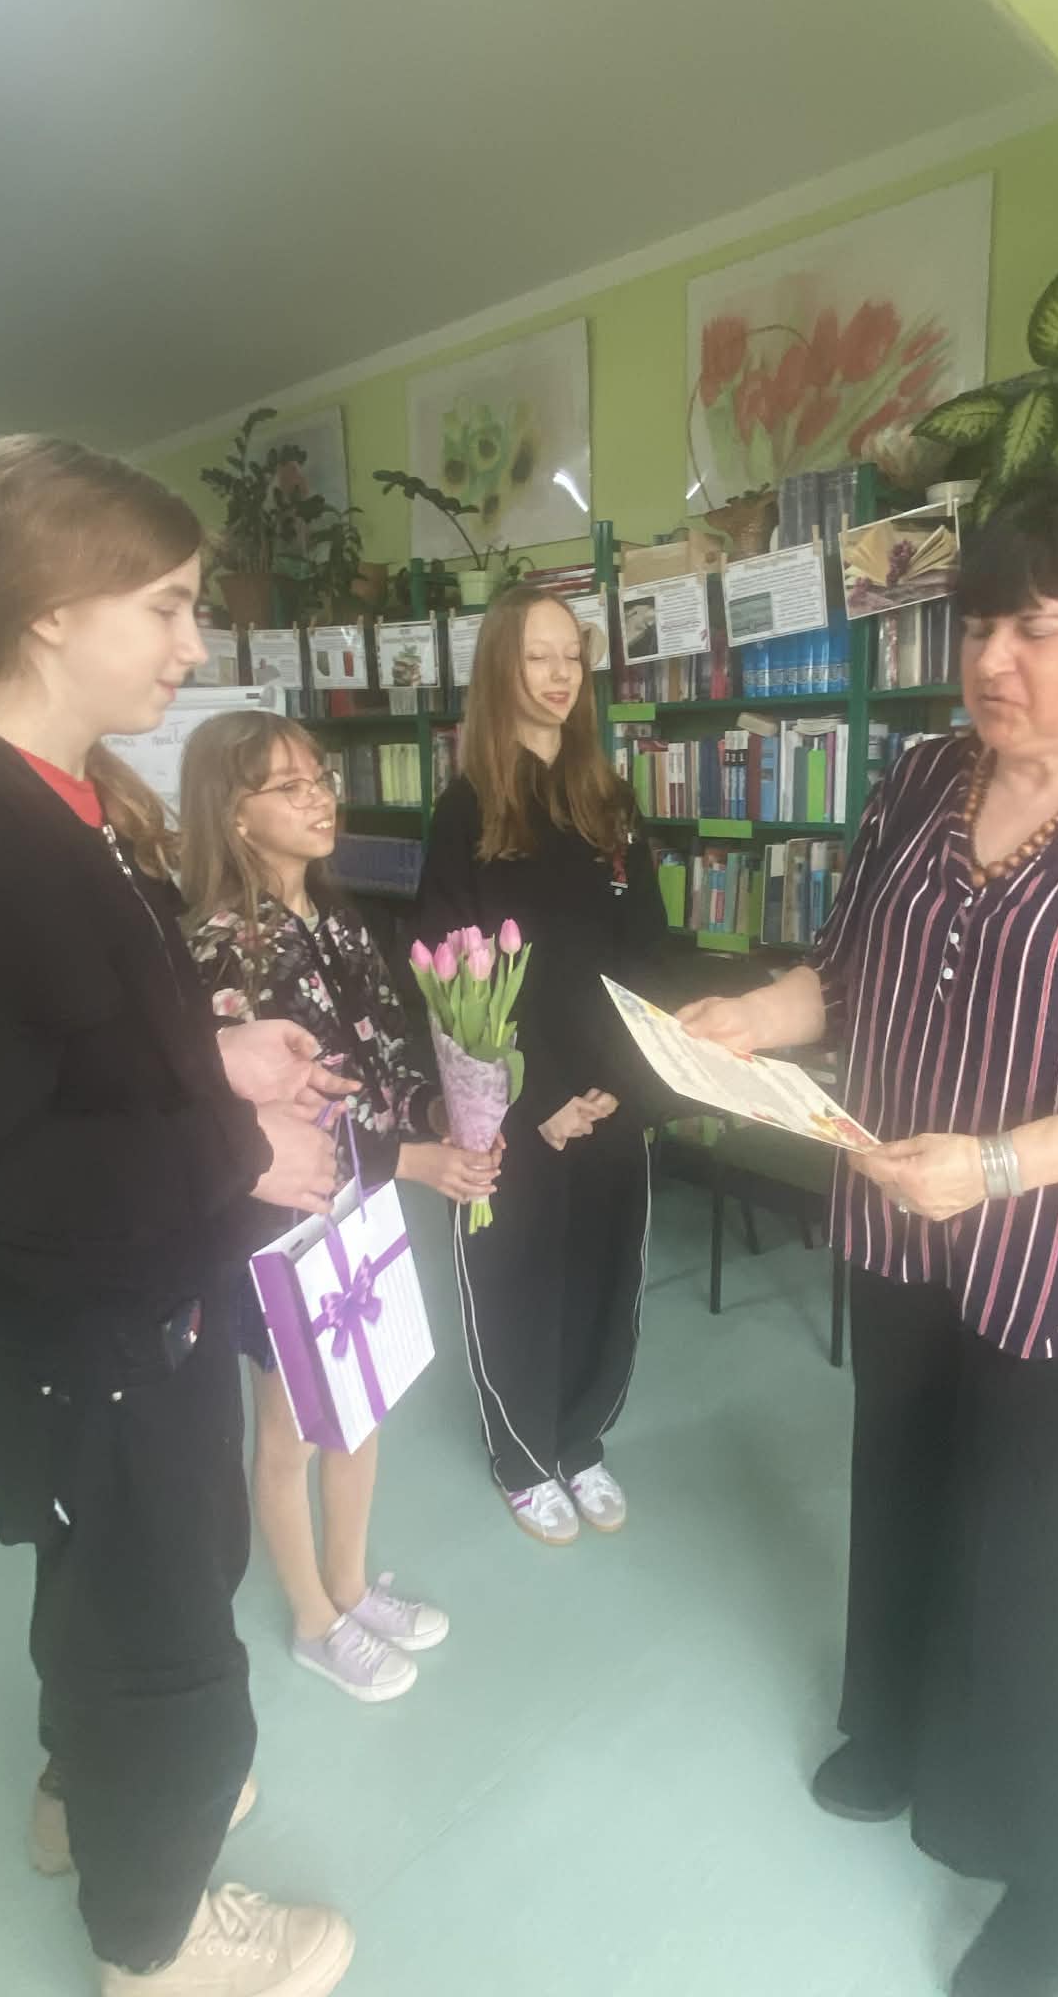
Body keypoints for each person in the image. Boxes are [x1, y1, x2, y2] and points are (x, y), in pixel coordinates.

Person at [678, 471, 1058, 1997]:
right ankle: (894, 1730)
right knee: (899, 1490)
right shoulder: (921, 781)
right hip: (902, 1233)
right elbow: (845, 968)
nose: (992, 661)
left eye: (1036, 628)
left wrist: (1004, 1166)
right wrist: (756, 1015)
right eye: (976, 625)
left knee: (1027, 1563)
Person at [0, 437, 359, 1997]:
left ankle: (88, 1801)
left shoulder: (47, 801)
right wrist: (236, 1147)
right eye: (166, 607)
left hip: (108, 1342)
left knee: (109, 1605)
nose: (193, 644)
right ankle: (157, 1937)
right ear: (54, 610)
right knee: (165, 1648)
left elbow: (58, 1051)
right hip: (99, 1350)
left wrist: (213, 1058)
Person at [178, 709, 497, 1702]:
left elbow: (386, 1048)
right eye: (291, 786)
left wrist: (443, 1108)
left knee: (360, 1401)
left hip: (360, 1198)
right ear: (233, 813)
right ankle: (314, 1617)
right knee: (289, 1431)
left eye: (321, 778)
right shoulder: (223, 947)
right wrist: (415, 1158)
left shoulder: (336, 913)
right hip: (281, 1221)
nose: (320, 799)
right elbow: (289, 1115)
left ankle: (351, 1584)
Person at [414, 585, 673, 1546]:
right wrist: (539, 1104)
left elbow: (648, 952)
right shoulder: (468, 811)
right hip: (520, 1104)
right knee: (521, 1277)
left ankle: (581, 1437)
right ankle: (523, 1454)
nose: (560, 675)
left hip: (614, 1092)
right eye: (537, 656)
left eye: (572, 656)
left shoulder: (610, 801)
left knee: (606, 1271)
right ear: (501, 667)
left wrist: (628, 1085)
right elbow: (451, 979)